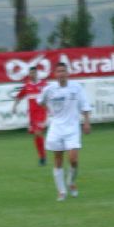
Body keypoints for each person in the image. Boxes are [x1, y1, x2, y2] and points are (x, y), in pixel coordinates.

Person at [37, 62, 92, 201]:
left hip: (72, 128)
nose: (61, 73)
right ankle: (61, 191)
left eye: (63, 71)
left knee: (73, 160)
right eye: (58, 71)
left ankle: (71, 182)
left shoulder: (76, 88)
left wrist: (86, 122)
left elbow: (85, 105)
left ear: (67, 73)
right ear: (55, 74)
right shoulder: (49, 89)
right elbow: (40, 101)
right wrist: (50, 112)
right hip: (56, 128)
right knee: (58, 160)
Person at [11, 65, 49, 165]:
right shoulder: (27, 86)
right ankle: (42, 156)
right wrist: (14, 106)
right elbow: (19, 96)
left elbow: (51, 95)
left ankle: (43, 157)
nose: (32, 75)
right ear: (29, 74)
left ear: (37, 73)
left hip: (41, 113)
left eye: (34, 73)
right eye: (31, 73)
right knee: (36, 135)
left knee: (38, 132)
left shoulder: (44, 84)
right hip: (32, 114)